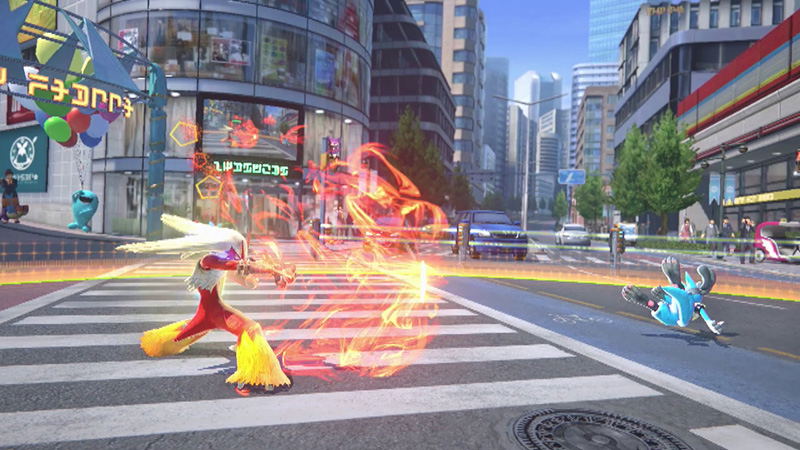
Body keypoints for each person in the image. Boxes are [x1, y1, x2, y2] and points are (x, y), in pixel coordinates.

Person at [117, 214, 295, 395]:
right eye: (236, 250)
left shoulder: (221, 258)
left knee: (186, 334)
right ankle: (257, 377)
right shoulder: (209, 260)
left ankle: (162, 343)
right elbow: (235, 265)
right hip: (214, 312)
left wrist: (275, 272)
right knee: (251, 328)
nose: (239, 254)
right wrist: (273, 270)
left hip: (209, 312)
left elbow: (244, 268)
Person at [622, 257, 724, 335]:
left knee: (674, 308)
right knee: (669, 306)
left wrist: (710, 323)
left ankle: (673, 287)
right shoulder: (693, 303)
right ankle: (655, 298)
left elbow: (696, 308)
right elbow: (673, 302)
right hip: (675, 311)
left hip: (679, 315)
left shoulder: (693, 304)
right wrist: (664, 297)